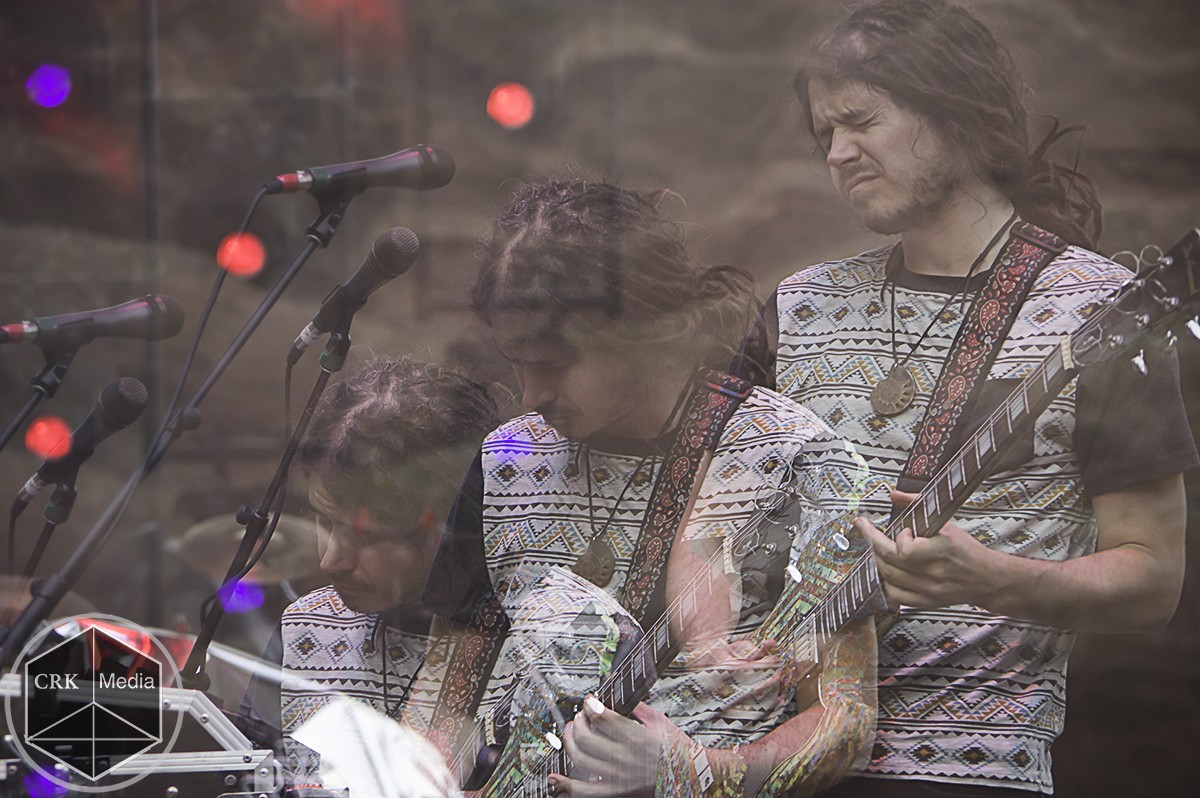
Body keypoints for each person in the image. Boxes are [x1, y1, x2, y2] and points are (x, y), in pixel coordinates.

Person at [749, 1, 1200, 795]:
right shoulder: (797, 307)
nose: (838, 153)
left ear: (955, 113)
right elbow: (717, 524)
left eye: (861, 121)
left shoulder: (1097, 311)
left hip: (970, 769)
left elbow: (1153, 578)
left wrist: (989, 577)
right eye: (826, 134)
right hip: (770, 757)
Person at [421, 178, 879, 797]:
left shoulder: (796, 456)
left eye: (554, 364)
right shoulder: (505, 459)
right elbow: (445, 705)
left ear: (641, 331)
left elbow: (844, 718)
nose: (531, 395)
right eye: (515, 363)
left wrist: (693, 773)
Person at [242, 354, 499, 790]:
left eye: (370, 536)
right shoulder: (304, 629)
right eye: (324, 522)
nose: (331, 561)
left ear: (449, 526)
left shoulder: (520, 640)